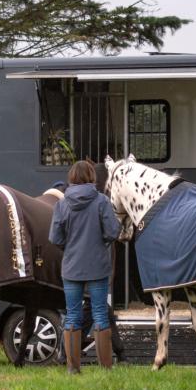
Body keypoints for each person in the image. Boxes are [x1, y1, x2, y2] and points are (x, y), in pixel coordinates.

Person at [49, 160, 121, 374]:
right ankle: (105, 368)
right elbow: (112, 232)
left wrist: (70, 248)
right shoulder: (101, 201)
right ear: (92, 177)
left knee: (72, 315)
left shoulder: (62, 204)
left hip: (71, 267)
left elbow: (54, 237)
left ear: (71, 177)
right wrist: (100, 244)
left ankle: (73, 368)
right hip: (97, 266)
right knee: (100, 313)